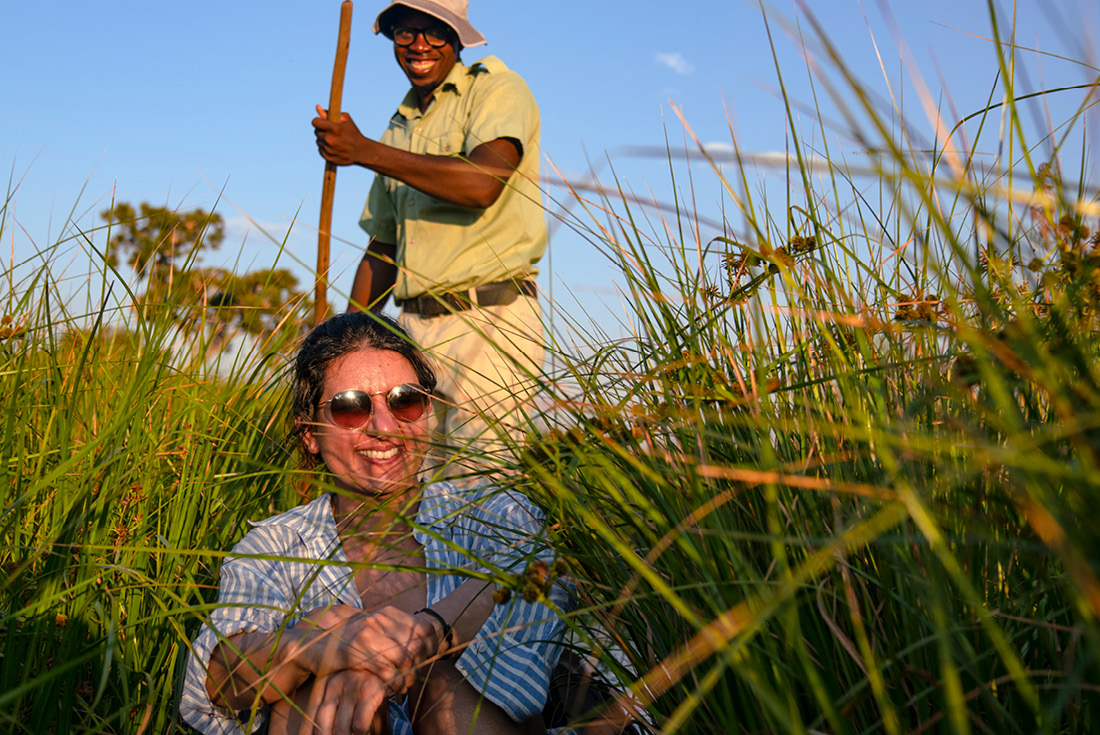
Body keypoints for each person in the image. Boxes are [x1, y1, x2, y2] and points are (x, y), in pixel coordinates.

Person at [179, 312, 568, 734]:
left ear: (427, 411)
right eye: (350, 407)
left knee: (418, 674)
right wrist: (314, 648)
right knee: (325, 670)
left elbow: (537, 569)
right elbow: (216, 676)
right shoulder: (275, 545)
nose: (385, 428)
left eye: (404, 401)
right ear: (309, 432)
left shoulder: (497, 516)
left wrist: (424, 636)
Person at [311, 0, 546, 477]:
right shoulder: (398, 128)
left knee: (484, 492)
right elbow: (383, 249)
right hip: (413, 336)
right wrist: (337, 348)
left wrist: (364, 152)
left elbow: (482, 183)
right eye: (405, 31)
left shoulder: (497, 89)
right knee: (410, 492)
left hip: (490, 323)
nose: (419, 45)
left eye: (434, 32)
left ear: (457, 38)